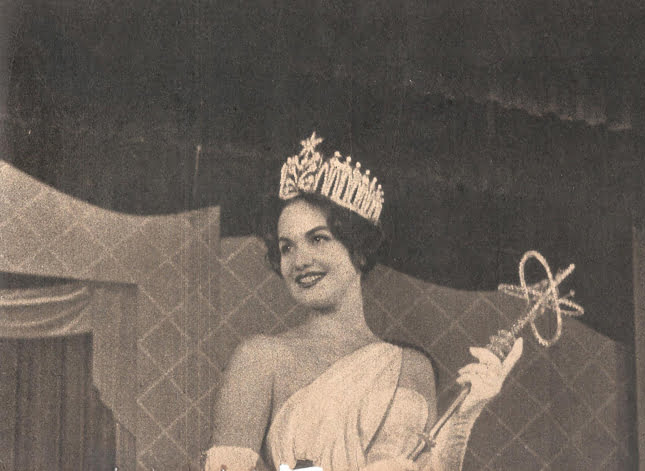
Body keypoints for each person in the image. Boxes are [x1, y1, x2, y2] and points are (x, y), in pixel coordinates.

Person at [203, 133, 523, 471]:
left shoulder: (413, 368)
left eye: (318, 239)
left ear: (358, 249)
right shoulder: (260, 359)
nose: (300, 261)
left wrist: (464, 419)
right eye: (287, 247)